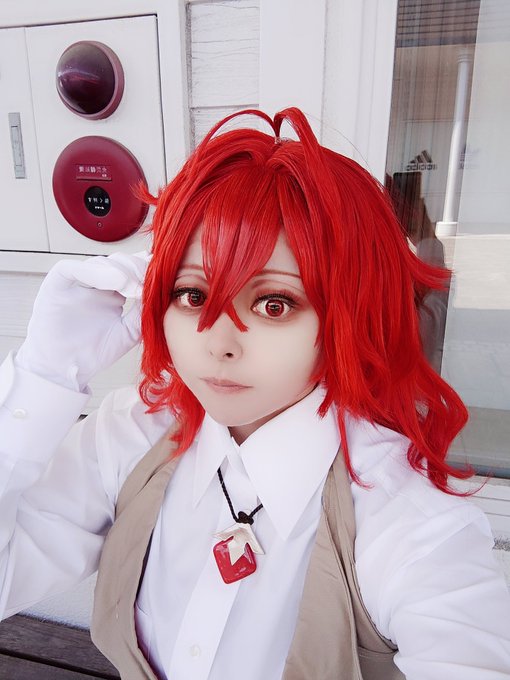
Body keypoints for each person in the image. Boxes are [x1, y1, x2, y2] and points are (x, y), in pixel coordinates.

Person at [1, 107, 509, 680]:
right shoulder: (132, 436)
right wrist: (46, 372)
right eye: (193, 296)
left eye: (274, 304)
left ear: (345, 315)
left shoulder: (402, 517)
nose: (219, 344)